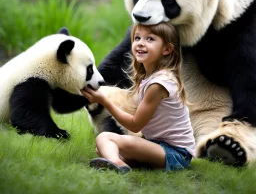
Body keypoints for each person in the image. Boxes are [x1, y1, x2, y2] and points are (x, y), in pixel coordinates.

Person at [81, 22, 196, 173]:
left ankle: (118, 165)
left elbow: (135, 125)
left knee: (105, 139)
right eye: (137, 38)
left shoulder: (158, 84)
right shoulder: (149, 77)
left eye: (150, 39)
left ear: (167, 49)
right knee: (103, 147)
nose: (141, 43)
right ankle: (120, 161)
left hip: (175, 153)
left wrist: (104, 101)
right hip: (159, 146)